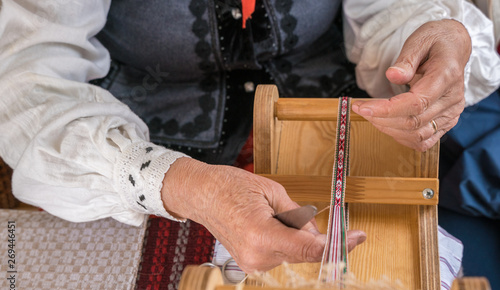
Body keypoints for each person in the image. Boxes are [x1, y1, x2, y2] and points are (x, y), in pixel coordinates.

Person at [0, 0, 499, 275]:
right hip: (137, 167)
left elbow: (391, 11)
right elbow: (24, 84)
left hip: (331, 130)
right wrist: (183, 185)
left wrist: (435, 33)